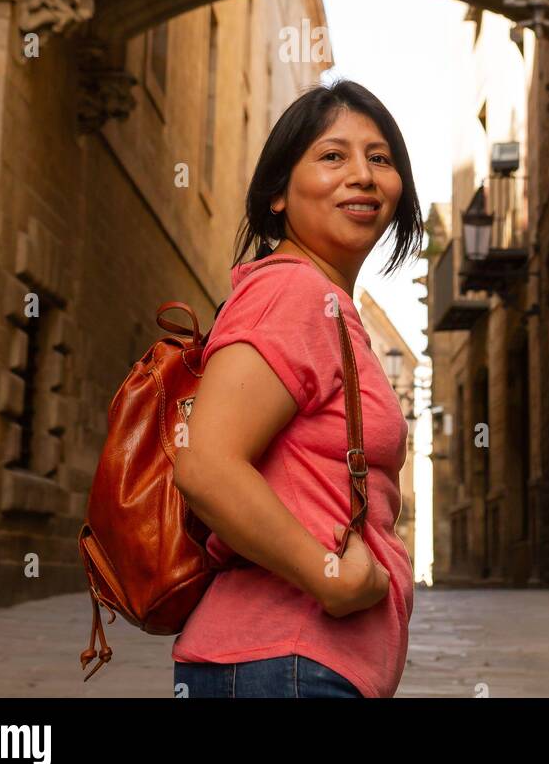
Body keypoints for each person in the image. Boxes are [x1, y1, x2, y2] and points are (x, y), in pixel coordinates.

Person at [172, 79, 422, 699]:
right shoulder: (294, 293)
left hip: (294, 667)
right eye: (333, 156)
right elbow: (204, 464)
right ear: (278, 193)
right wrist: (330, 575)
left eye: (380, 158)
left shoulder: (329, 305)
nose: (362, 175)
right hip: (286, 665)